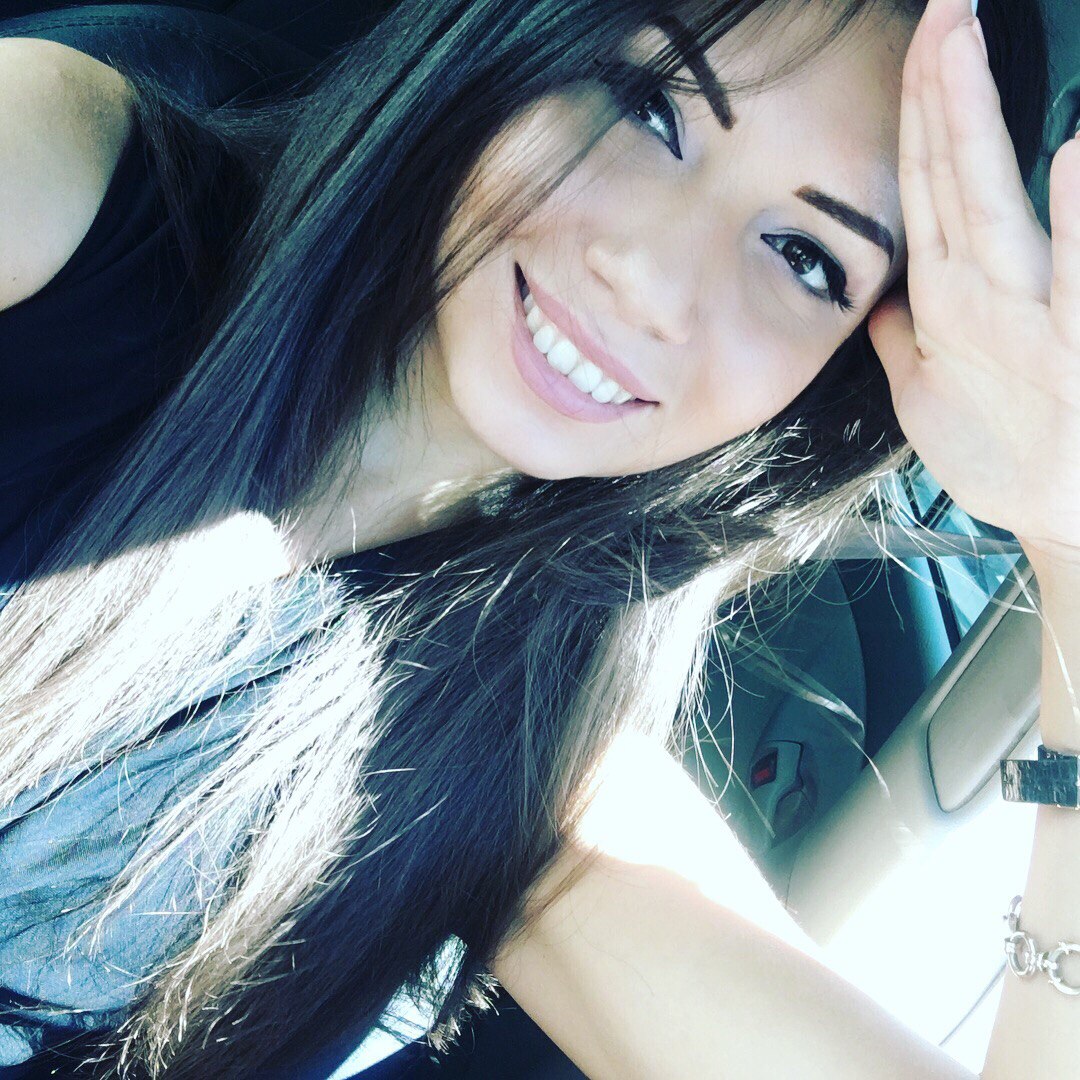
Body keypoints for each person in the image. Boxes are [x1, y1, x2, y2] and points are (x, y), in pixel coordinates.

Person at [0, 0, 1069, 1076]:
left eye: (803, 256)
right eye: (651, 108)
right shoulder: (65, 177)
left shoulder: (529, 767)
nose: (652, 285)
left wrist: (1065, 539)